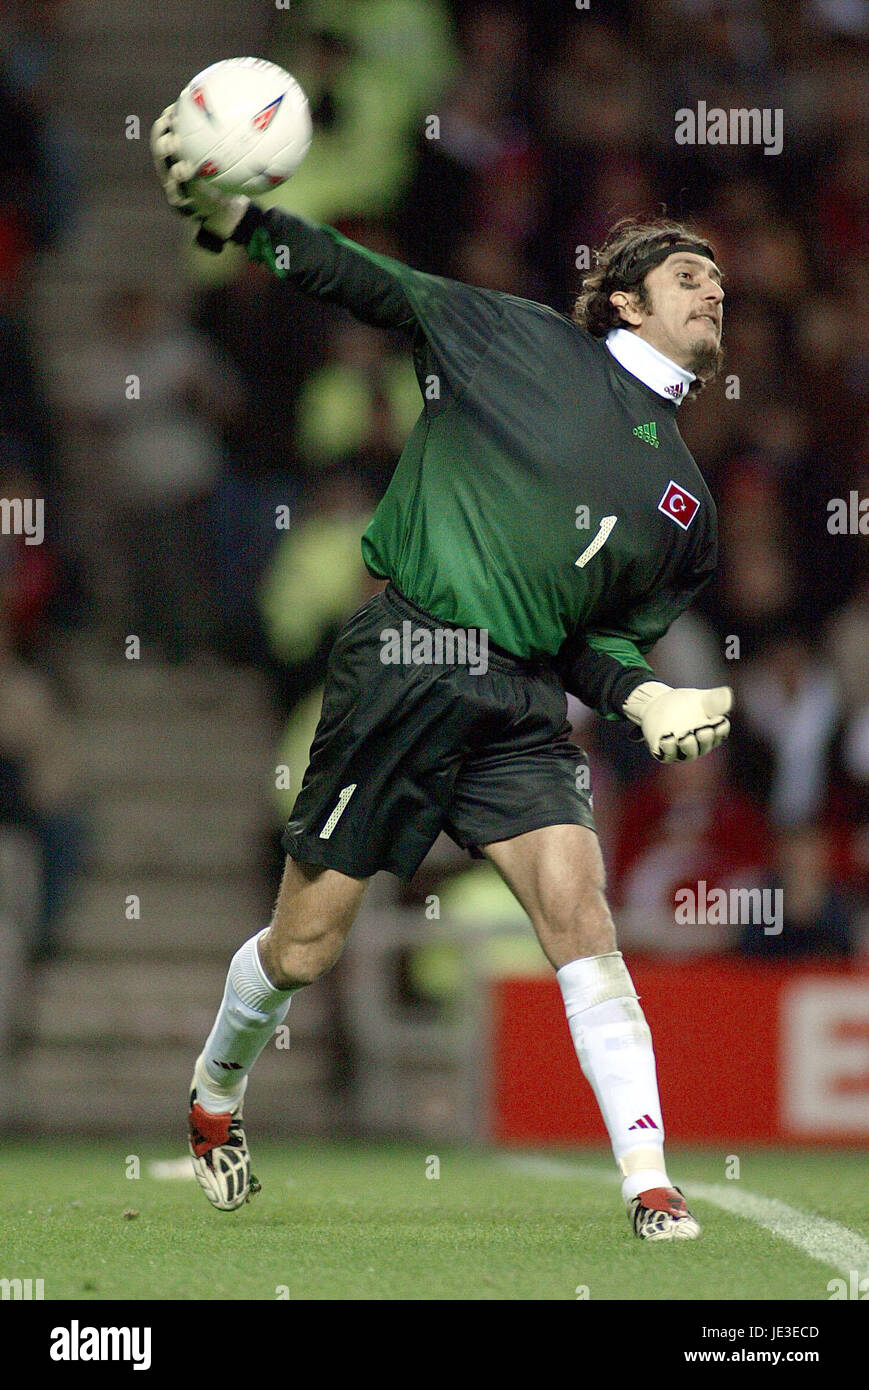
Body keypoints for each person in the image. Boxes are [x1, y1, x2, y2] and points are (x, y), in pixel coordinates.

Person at [152, 108, 732, 1241]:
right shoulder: (511, 339)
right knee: (303, 950)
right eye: (683, 272)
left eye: (717, 279)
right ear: (622, 300)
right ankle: (216, 1090)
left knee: (581, 922)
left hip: (521, 705)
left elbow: (594, 643)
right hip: (405, 663)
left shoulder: (688, 513)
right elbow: (366, 281)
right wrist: (244, 222)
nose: (711, 288)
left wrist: (639, 693)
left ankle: (649, 1186)